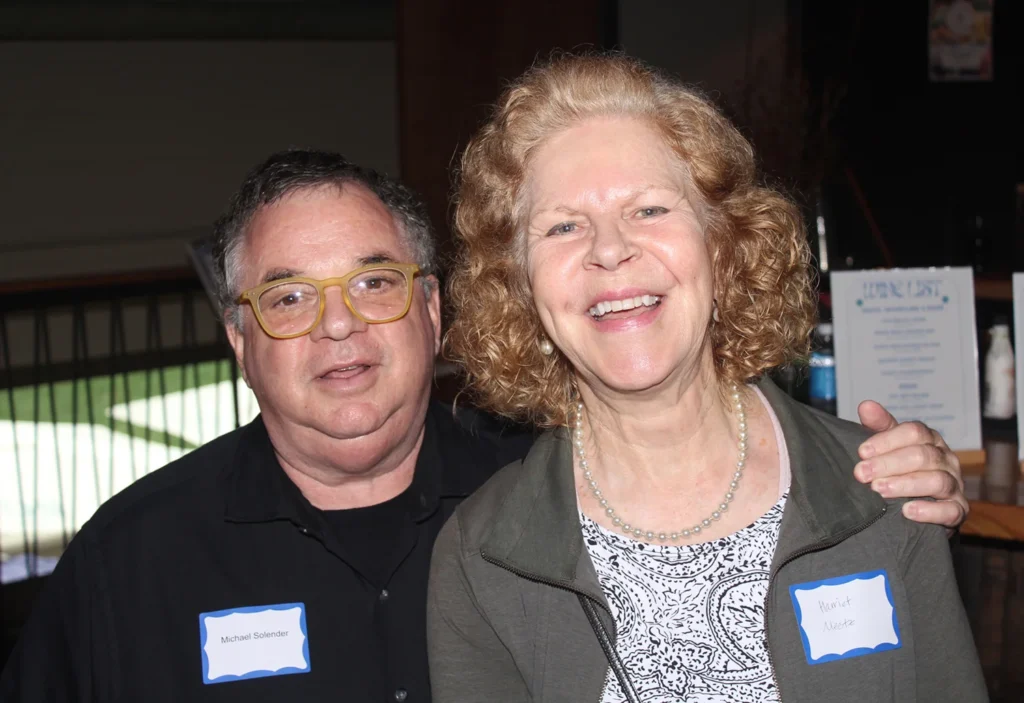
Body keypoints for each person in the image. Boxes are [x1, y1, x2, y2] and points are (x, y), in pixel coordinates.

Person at [0, 148, 967, 703]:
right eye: (288, 297)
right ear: (240, 340)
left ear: (432, 313)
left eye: (375, 284)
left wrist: (883, 476)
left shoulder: (560, 497)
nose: (338, 326)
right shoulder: (132, 561)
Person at [427, 54, 986, 702]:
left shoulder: (884, 492)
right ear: (521, 286)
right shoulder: (482, 557)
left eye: (648, 210)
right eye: (564, 225)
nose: (609, 249)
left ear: (724, 246)